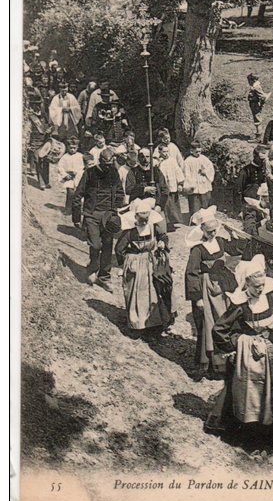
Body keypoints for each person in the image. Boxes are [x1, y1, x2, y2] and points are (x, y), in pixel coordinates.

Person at [206, 254, 273, 433]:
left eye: (262, 285)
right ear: (246, 284)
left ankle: (269, 424)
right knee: (248, 390)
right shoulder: (240, 305)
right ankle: (246, 427)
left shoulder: (270, 297)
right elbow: (219, 329)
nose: (260, 289)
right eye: (256, 287)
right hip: (250, 356)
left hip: (270, 349)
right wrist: (237, 344)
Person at [185, 206, 247, 377]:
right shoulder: (197, 249)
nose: (212, 234)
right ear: (202, 230)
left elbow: (235, 250)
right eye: (209, 231)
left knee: (226, 319)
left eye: (215, 230)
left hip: (223, 284)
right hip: (207, 287)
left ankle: (228, 360)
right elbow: (191, 273)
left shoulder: (219, 241)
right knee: (209, 322)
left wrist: (234, 237)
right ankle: (211, 364)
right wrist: (197, 297)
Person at [115, 198, 174, 334]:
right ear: (135, 217)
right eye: (141, 219)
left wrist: (162, 244)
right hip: (136, 262)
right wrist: (125, 263)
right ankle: (138, 324)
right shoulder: (130, 232)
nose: (143, 222)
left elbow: (163, 236)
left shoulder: (153, 228)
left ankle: (154, 323)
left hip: (150, 261)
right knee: (137, 293)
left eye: (145, 219)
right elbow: (119, 249)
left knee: (154, 291)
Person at [72, 147, 124, 293]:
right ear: (100, 161)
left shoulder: (114, 173)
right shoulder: (89, 173)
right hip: (92, 214)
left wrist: (115, 210)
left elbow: (120, 192)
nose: (108, 167)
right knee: (95, 245)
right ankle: (93, 267)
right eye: (105, 164)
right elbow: (78, 195)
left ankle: (104, 277)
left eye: (110, 164)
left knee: (107, 246)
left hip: (109, 216)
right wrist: (76, 217)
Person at [125, 148, 169, 213]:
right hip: (138, 206)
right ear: (138, 158)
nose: (145, 159)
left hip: (155, 206)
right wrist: (144, 189)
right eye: (142, 157)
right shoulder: (133, 172)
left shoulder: (156, 171)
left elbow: (165, 190)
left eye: (147, 156)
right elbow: (128, 189)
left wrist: (159, 205)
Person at [236, 145, 268, 235]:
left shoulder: (264, 168)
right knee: (250, 227)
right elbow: (238, 190)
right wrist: (239, 209)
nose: (263, 161)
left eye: (264, 159)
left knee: (262, 227)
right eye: (261, 159)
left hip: (261, 201)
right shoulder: (245, 171)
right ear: (255, 157)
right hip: (249, 203)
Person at [183, 140, 215, 218]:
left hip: (204, 183)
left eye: (200, 151)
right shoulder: (188, 161)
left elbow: (211, 168)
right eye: (196, 152)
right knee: (195, 204)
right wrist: (191, 184)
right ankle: (195, 219)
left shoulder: (204, 158)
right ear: (191, 151)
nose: (198, 153)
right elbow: (186, 174)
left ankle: (205, 218)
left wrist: (205, 172)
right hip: (194, 185)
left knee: (205, 202)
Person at [156, 142, 184, 229]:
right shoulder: (157, 162)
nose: (166, 153)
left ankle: (173, 222)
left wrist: (180, 183)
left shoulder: (172, 160)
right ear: (160, 152)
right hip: (163, 187)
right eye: (164, 152)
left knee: (173, 205)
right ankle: (166, 223)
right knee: (166, 205)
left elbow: (178, 171)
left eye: (167, 151)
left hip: (172, 186)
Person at [26, 97, 53, 190]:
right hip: (34, 141)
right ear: (31, 105)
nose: (37, 106)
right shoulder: (29, 116)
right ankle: (41, 182)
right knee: (38, 161)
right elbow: (27, 131)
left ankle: (46, 181)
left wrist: (50, 130)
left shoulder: (44, 115)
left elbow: (49, 125)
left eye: (39, 104)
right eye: (35, 104)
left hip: (44, 140)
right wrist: (28, 143)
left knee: (46, 161)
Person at [57, 136, 84, 213]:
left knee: (78, 194)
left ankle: (77, 209)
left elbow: (83, 166)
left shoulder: (80, 156)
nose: (72, 150)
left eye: (74, 148)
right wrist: (65, 175)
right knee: (70, 192)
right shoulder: (65, 157)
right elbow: (60, 167)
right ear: (67, 147)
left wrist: (78, 172)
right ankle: (68, 209)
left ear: (77, 147)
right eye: (70, 148)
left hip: (78, 177)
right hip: (69, 177)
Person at [247, 72, 271, 141]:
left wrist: (261, 104)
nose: (249, 83)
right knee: (256, 119)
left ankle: (258, 137)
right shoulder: (255, 86)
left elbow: (263, 96)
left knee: (257, 120)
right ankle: (258, 135)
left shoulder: (256, 87)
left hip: (255, 104)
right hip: (253, 104)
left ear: (253, 80)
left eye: (249, 81)